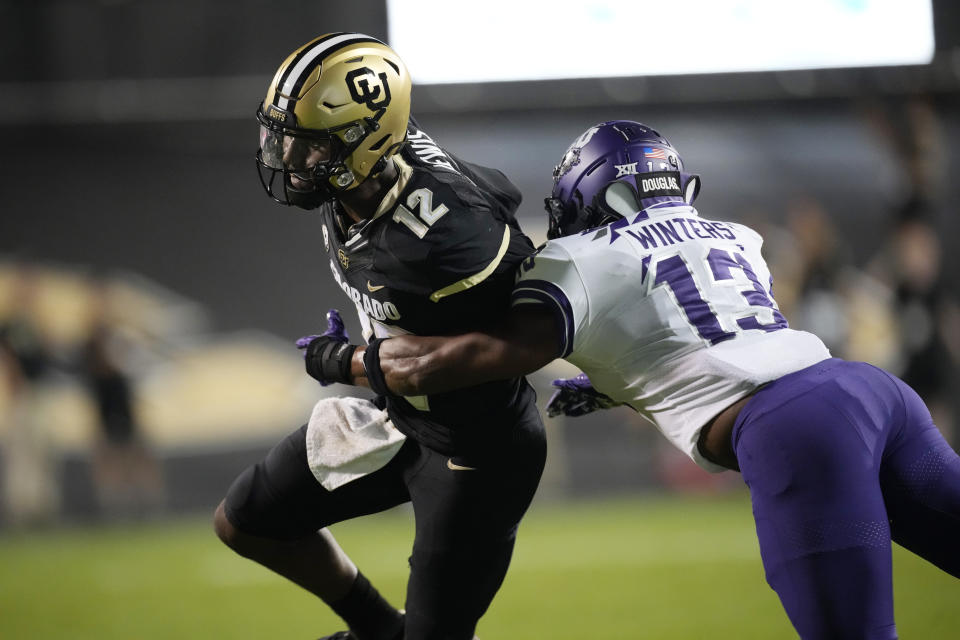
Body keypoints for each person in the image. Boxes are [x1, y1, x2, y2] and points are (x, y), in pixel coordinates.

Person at [307, 120, 960, 639]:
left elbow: (491, 353)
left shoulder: (578, 256)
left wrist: (354, 362)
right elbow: (719, 333)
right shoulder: (734, 234)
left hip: (794, 427)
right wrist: (619, 379)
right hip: (868, 392)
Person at [212, 33, 546, 640]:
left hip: (478, 446)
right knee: (245, 521)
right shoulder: (359, 171)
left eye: (307, 144)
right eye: (284, 136)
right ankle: (375, 627)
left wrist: (347, 361)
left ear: (365, 145)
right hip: (398, 417)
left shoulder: (448, 235)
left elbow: (491, 343)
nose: (288, 156)